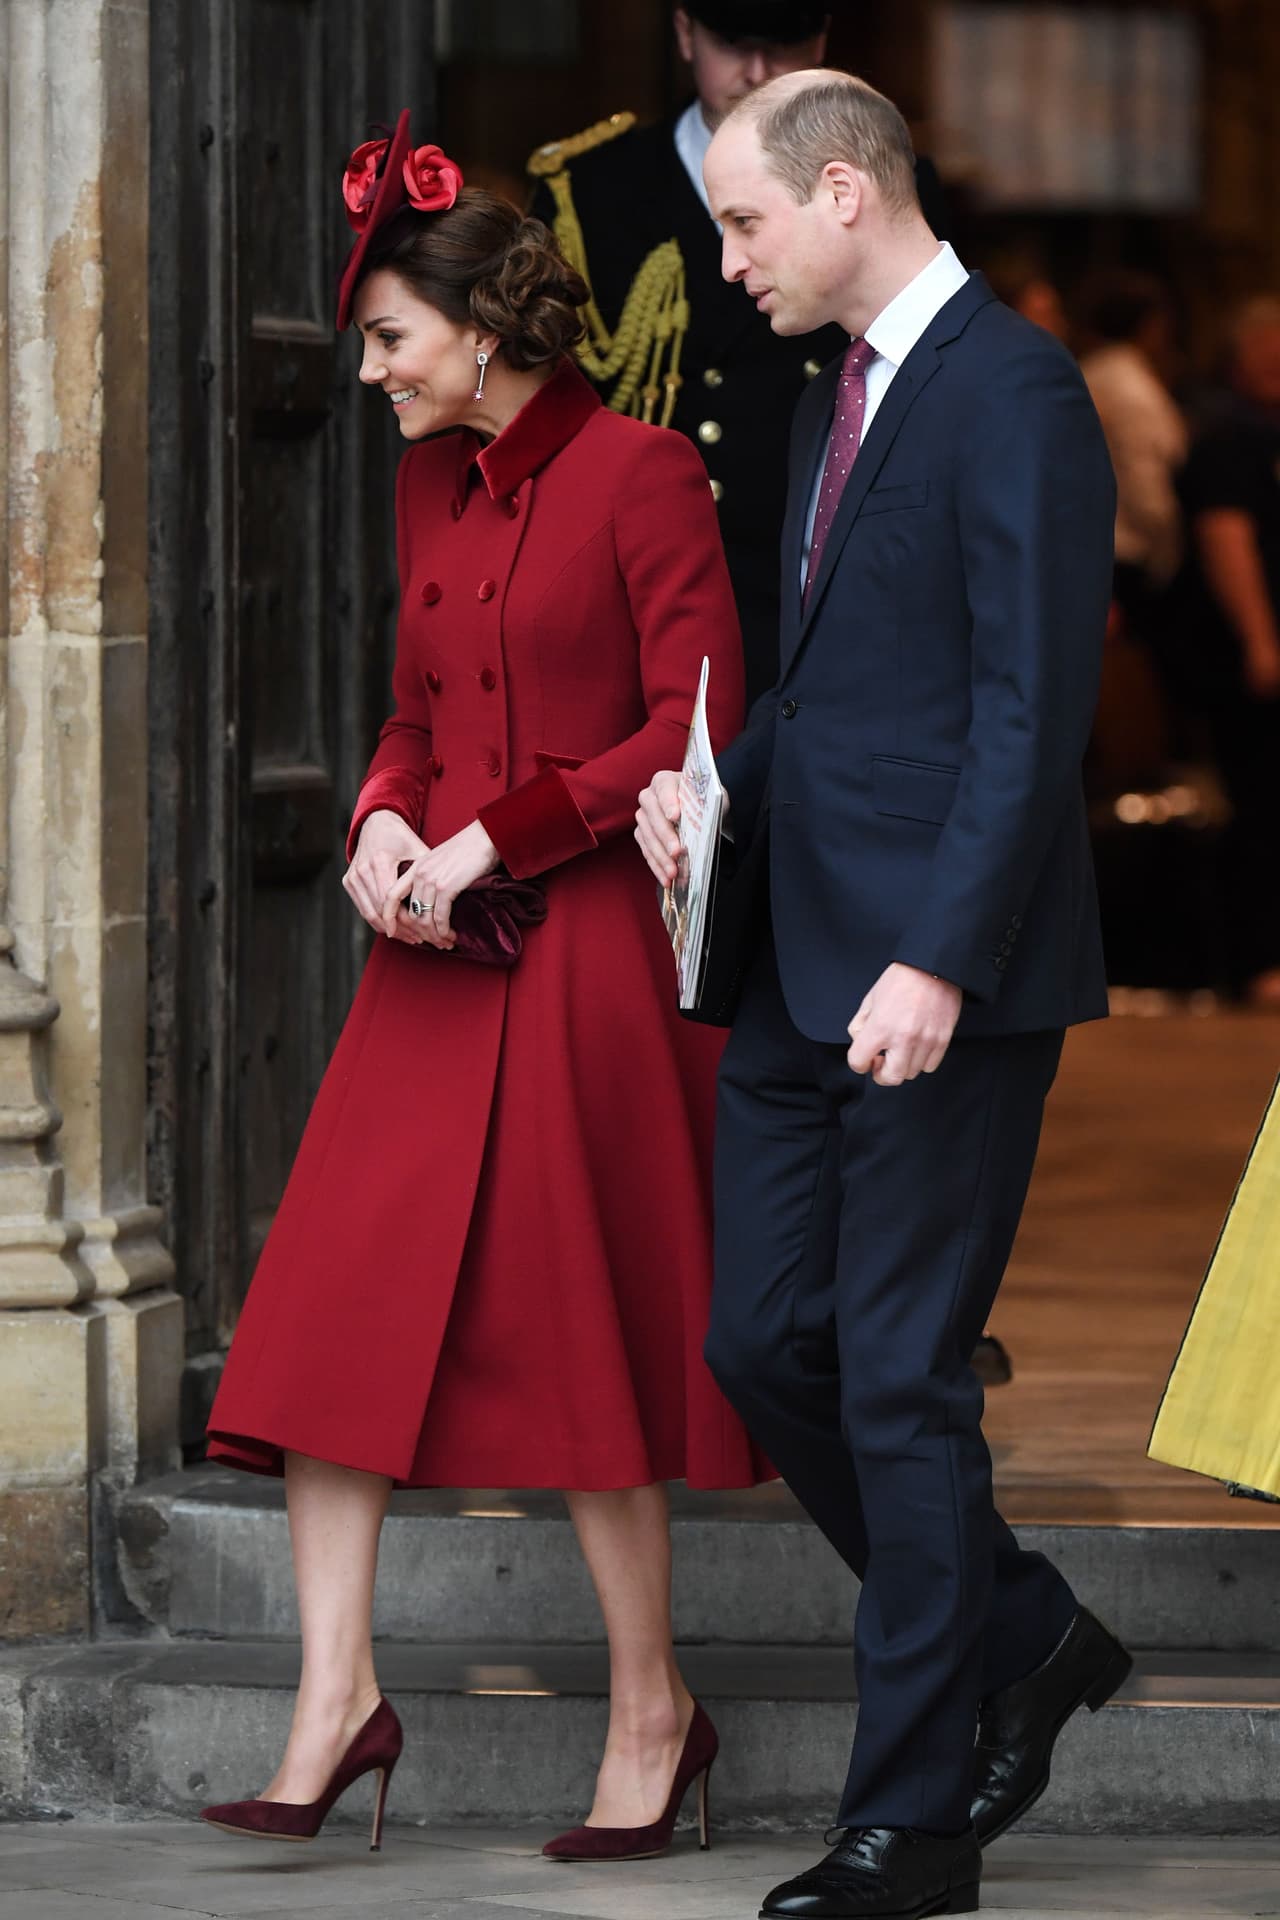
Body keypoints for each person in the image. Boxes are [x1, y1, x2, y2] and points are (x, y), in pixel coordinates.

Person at [201, 110, 768, 1859]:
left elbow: (696, 729)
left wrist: (495, 841)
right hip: (432, 959)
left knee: (580, 1341)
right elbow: (412, 713)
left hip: (583, 956)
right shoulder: (423, 478)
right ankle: (333, 1706)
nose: (366, 372)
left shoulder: (648, 473)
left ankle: (655, 1711)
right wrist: (381, 821)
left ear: (485, 329)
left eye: (386, 339)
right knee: (319, 1319)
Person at [637, 71, 1130, 1918]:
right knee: (765, 1341)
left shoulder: (1018, 394)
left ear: (845, 194)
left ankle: (911, 1826)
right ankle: (1025, 1630)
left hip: (939, 974)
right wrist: (719, 786)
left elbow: (1027, 714)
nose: (731, 261)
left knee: (903, 1379)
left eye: (747, 227)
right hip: (793, 960)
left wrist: (939, 952)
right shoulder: (831, 392)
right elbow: (838, 691)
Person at [528, 3, 950, 705]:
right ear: (686, 31)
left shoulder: (889, 184)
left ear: (822, 37)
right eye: (733, 42)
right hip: (642, 597)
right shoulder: (588, 188)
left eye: (784, 43)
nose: (757, 73)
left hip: (813, 597)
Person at [1174, 296, 1280, 1009]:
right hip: (1252, 659)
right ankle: (1263, 961)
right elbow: (1225, 542)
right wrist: (1260, 640)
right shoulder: (1231, 438)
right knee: (1264, 807)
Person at [1078, 270, 1188, 634]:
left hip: (1097, 543)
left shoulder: (1089, 371)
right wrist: (1172, 550)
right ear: (1151, 324)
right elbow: (1145, 481)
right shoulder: (1129, 387)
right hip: (1127, 553)